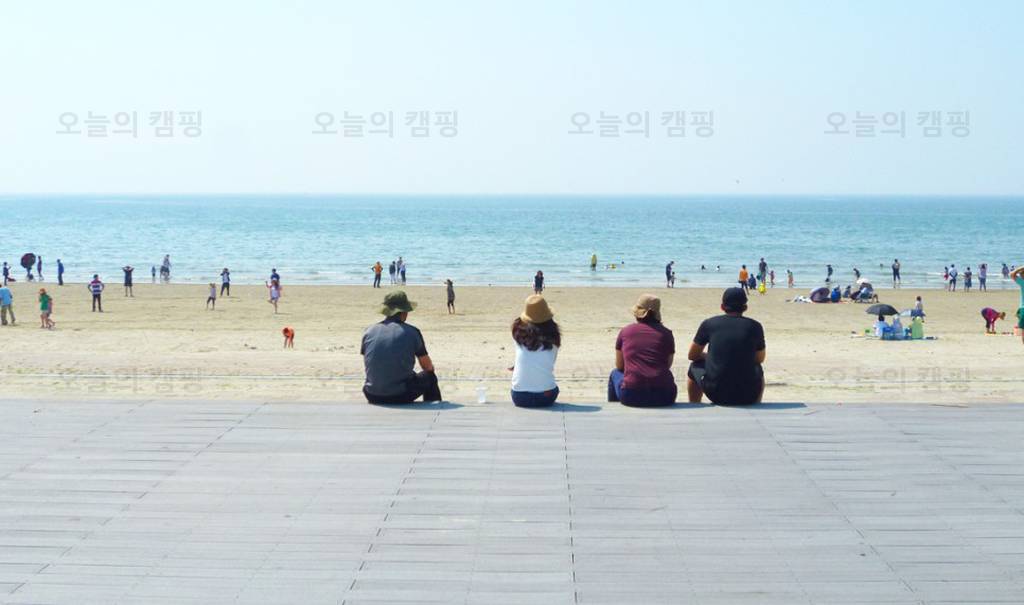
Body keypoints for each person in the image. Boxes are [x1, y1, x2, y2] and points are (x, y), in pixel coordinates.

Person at [687, 287, 765, 405]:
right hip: (747, 394)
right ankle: (756, 404)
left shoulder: (709, 324)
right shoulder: (755, 326)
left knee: (694, 366)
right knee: (758, 368)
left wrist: (710, 357)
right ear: (745, 307)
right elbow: (759, 359)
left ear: (722, 307)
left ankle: (694, 404)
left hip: (715, 392)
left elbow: (692, 355)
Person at [360, 290, 442, 404]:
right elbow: (427, 367)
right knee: (430, 377)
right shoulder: (412, 332)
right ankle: (434, 408)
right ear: (404, 312)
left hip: (372, 394)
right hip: (400, 394)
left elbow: (371, 361)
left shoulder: (369, 331)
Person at [608, 294, 676, 406]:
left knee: (615, 373)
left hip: (632, 395)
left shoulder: (626, 331)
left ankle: (614, 410)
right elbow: (667, 364)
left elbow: (620, 366)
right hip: (665, 395)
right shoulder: (667, 333)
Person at [509, 295, 560, 407]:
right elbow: (549, 362)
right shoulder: (554, 338)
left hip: (519, 397)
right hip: (545, 396)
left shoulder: (518, 336)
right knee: (555, 388)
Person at [1012, 266, 1024, 345]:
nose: (1020, 276)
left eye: (1020, 275)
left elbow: (1012, 274)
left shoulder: (1022, 282)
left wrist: (1020, 268)